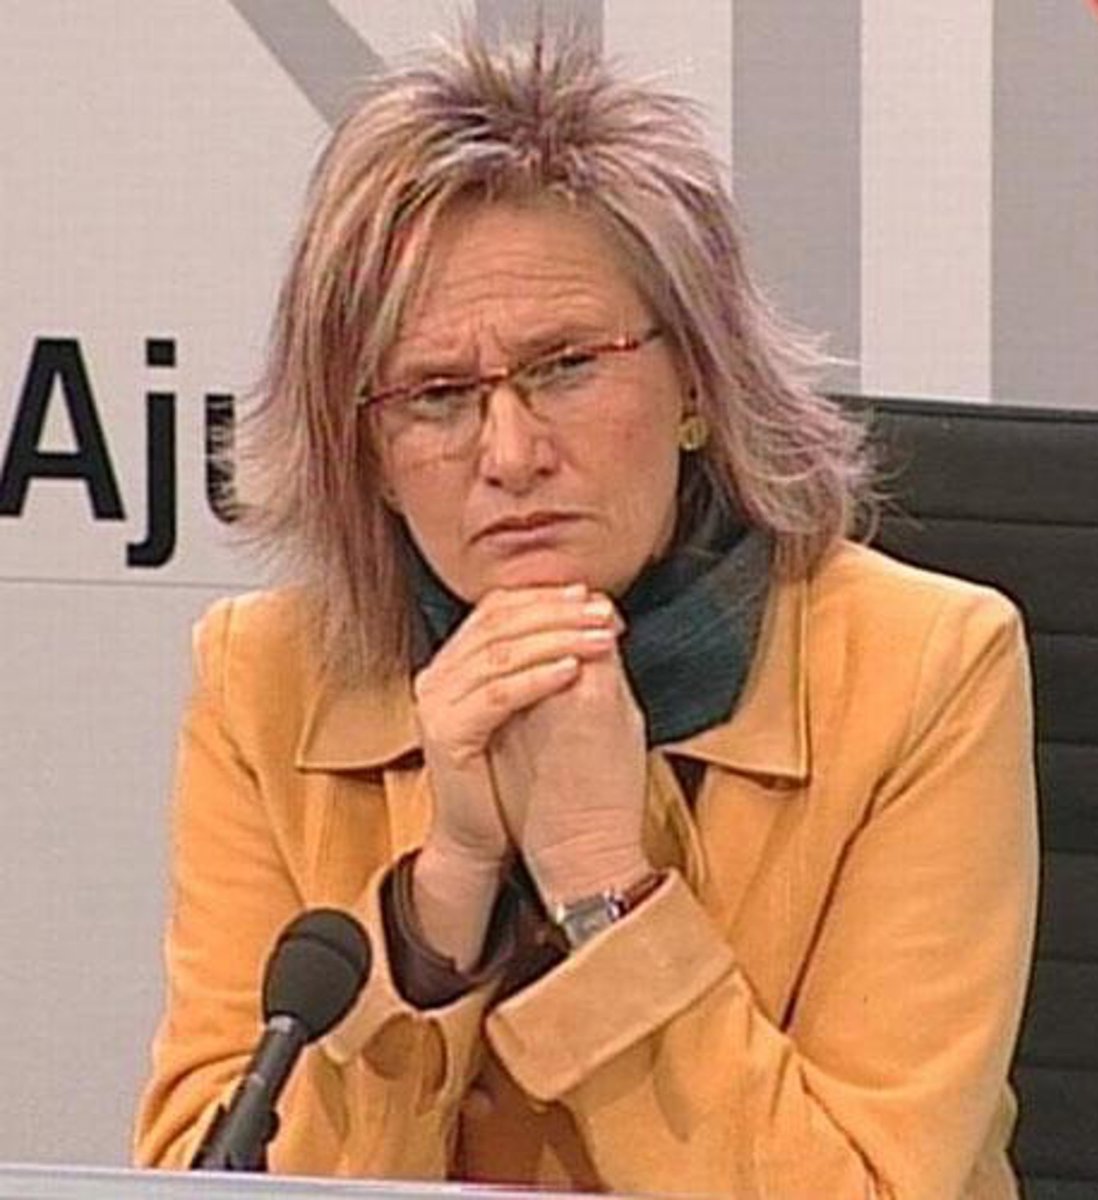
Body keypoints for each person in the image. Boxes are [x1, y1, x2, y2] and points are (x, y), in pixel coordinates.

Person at [134, 28, 1038, 1200]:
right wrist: (441, 899)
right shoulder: (266, 677)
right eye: (436, 396)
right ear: (366, 451)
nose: (510, 454)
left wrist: (600, 881)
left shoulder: (924, 668)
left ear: (698, 382)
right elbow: (209, 1175)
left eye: (565, 366)